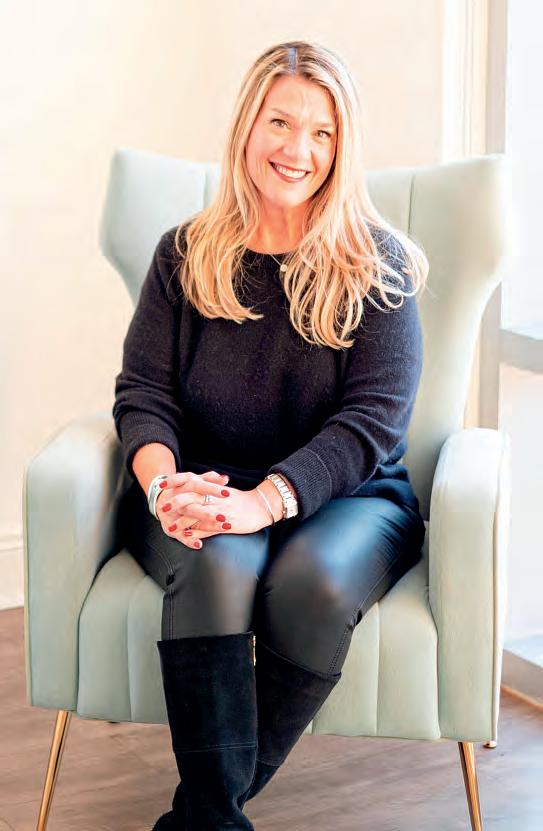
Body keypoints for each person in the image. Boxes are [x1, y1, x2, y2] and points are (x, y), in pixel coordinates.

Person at [113, 39, 429, 831]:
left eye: (322, 132)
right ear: (247, 126)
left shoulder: (379, 266)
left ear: (342, 146)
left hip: (349, 495)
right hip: (206, 480)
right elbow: (144, 396)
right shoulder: (183, 255)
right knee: (212, 562)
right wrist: (164, 486)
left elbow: (371, 423)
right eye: (280, 122)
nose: (297, 149)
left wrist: (266, 501)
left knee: (312, 580)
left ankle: (201, 817)